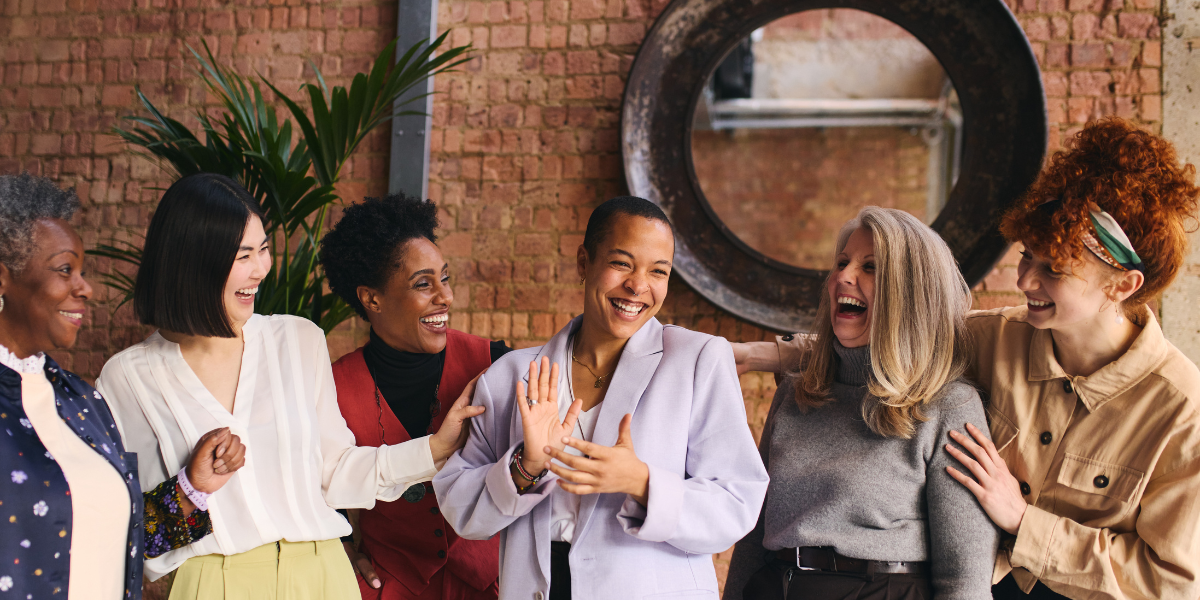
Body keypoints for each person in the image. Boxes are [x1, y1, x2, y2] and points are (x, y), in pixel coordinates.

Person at [732, 118, 1200, 599]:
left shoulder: (1183, 413)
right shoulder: (996, 337)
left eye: (1053, 270)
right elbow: (894, 337)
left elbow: (1173, 581)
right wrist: (769, 354)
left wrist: (1024, 521)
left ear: (1122, 286)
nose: (1025, 282)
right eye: (1026, 257)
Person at [97, 173, 484, 600]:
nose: (261, 268)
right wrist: (189, 490)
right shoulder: (128, 377)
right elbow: (128, 525)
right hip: (210, 582)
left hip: (321, 575)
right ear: (194, 259)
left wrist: (435, 448)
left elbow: (335, 472)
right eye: (243, 255)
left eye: (263, 249)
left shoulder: (298, 340)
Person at [432, 196, 769, 600]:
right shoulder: (511, 376)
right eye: (622, 263)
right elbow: (461, 508)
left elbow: (737, 503)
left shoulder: (698, 360)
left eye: (658, 271)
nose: (638, 286)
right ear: (583, 263)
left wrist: (641, 482)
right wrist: (526, 467)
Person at [722, 207, 998, 600]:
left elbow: (965, 578)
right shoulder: (795, 393)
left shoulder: (949, 405)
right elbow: (752, 540)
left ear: (910, 292)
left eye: (870, 267)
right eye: (841, 262)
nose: (842, 277)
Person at [319, 193, 504, 600]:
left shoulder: (493, 362)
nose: (446, 297)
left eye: (445, 278)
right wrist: (344, 548)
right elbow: (318, 487)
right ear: (372, 299)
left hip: (490, 585)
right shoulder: (332, 386)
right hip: (388, 587)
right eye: (424, 283)